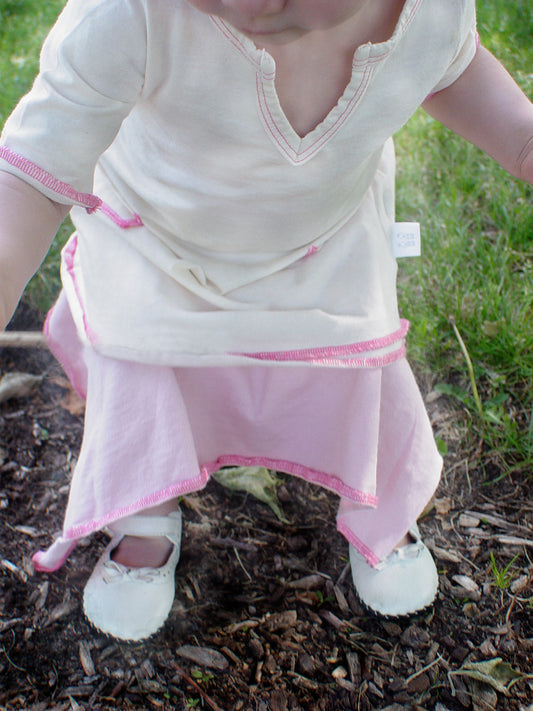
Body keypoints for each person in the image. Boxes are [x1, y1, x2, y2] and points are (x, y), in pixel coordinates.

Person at [1, 0, 532, 641]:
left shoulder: (432, 13)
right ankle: (144, 514)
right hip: (159, 249)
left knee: (356, 371)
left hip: (322, 245)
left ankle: (378, 509)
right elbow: (28, 173)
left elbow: (456, 71)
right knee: (146, 375)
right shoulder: (130, 13)